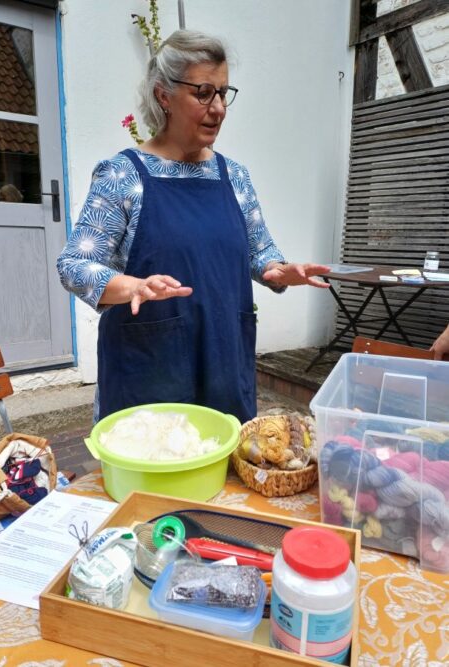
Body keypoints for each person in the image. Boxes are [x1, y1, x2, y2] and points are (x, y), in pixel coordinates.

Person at [57, 29, 330, 424]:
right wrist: (132, 286)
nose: (218, 108)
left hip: (224, 359)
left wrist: (278, 270)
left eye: (223, 93)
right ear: (163, 96)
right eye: (203, 93)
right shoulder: (122, 175)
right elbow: (75, 265)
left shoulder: (234, 176)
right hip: (150, 371)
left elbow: (260, 251)